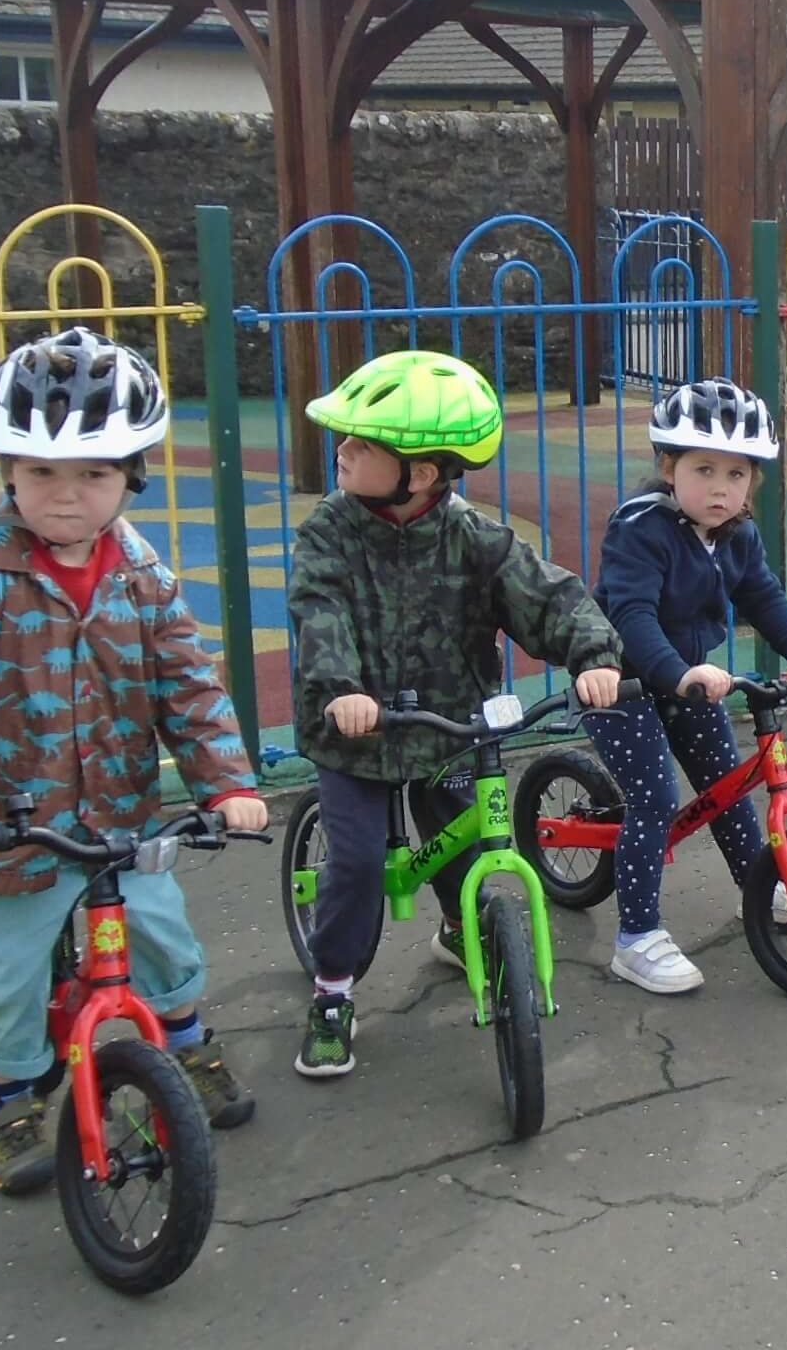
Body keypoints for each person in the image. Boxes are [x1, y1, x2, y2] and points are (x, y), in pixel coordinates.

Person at [0, 326, 266, 1194]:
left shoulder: (144, 578)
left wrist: (229, 785)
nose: (66, 497)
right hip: (9, 831)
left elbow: (189, 686)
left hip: (120, 820)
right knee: (4, 973)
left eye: (93, 475)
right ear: (8, 473)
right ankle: (11, 1099)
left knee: (164, 937)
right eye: (42, 474)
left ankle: (188, 1042)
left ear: (130, 476)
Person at [287, 350, 622, 1078]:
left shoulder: (474, 537)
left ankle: (457, 923)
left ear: (424, 471)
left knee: (464, 840)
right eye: (346, 438)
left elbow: (547, 594)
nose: (342, 451)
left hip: (448, 727)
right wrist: (340, 686)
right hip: (357, 735)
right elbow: (319, 611)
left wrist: (594, 655)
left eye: (362, 444)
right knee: (355, 866)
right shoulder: (329, 533)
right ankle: (333, 993)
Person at [586, 379, 787, 993]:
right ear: (668, 466)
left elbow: (762, 596)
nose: (721, 488)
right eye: (704, 470)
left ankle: (759, 886)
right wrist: (678, 673)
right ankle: (637, 938)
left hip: (691, 684)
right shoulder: (640, 528)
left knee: (726, 787)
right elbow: (633, 616)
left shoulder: (737, 533)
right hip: (622, 685)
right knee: (652, 800)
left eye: (737, 474)